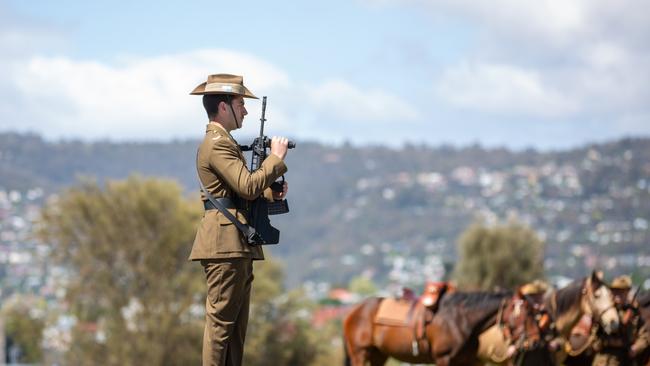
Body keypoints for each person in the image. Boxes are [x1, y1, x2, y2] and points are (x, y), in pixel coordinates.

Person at [188, 73, 290, 366]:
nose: (245, 110)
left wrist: (273, 195)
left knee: (235, 332)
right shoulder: (217, 144)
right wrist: (275, 158)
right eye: (240, 103)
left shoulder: (224, 143)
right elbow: (246, 185)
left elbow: (238, 195)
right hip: (225, 245)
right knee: (221, 328)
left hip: (234, 243)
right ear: (224, 107)